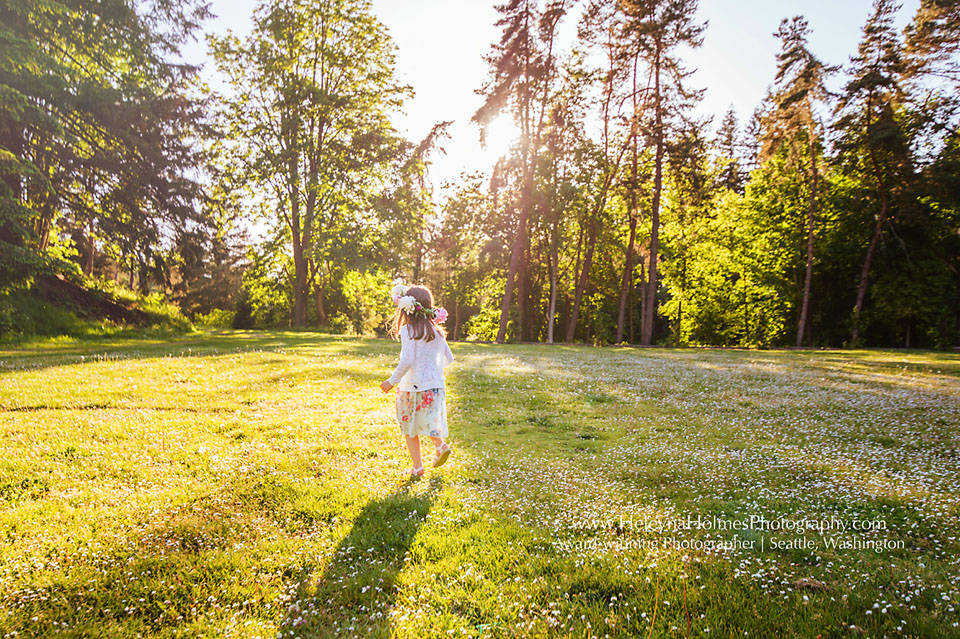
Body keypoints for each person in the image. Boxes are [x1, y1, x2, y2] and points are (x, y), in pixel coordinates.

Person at [380, 282, 454, 478]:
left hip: (411, 387)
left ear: (407, 308)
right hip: (435, 387)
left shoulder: (408, 331)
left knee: (410, 427)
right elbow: (449, 359)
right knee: (428, 422)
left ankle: (418, 467)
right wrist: (432, 370)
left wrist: (392, 380)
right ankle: (440, 445)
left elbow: (407, 360)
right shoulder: (437, 331)